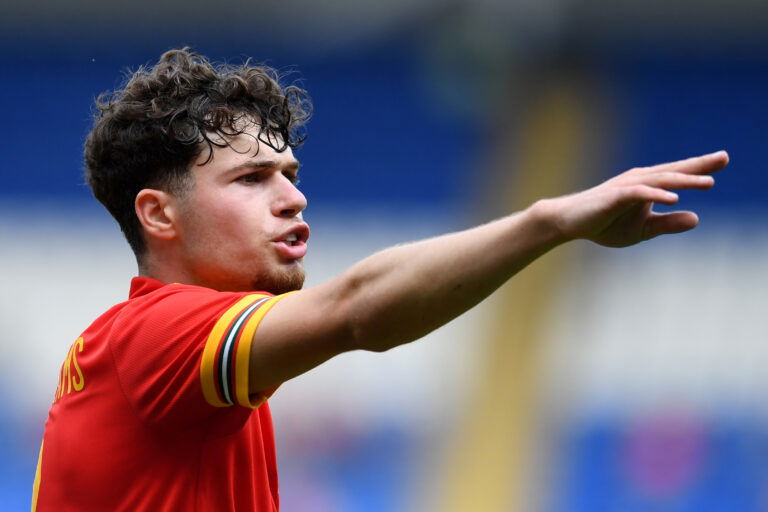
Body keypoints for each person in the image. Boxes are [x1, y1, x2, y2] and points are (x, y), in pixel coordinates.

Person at [32, 47, 728, 511]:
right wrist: (551, 221)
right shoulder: (158, 335)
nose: (292, 198)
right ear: (160, 214)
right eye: (250, 179)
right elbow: (360, 309)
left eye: (290, 177)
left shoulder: (181, 371)